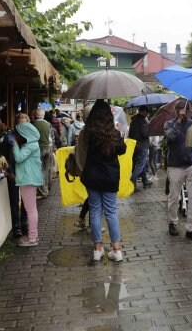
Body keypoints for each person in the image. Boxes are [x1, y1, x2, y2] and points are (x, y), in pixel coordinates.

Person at [80, 100, 127, 262]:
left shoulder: (88, 132)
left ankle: (97, 250)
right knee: (111, 212)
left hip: (92, 176)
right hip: (110, 177)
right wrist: (120, 134)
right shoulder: (113, 133)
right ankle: (116, 250)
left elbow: (81, 151)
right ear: (109, 115)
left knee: (94, 212)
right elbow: (122, 150)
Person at [164, 99, 192, 241]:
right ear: (176, 110)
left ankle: (191, 228)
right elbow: (171, 137)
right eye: (180, 109)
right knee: (174, 197)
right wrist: (178, 122)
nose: (183, 111)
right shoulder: (169, 124)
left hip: (191, 165)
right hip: (175, 166)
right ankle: (172, 222)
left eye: (185, 109)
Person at [11, 121, 44, 246]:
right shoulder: (31, 144)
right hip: (29, 179)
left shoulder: (31, 146)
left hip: (28, 179)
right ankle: (32, 236)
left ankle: (32, 238)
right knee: (31, 209)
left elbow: (19, 158)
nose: (16, 136)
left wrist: (14, 143)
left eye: (18, 133)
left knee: (30, 210)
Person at [31, 108, 53, 199]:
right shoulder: (48, 124)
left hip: (39, 149)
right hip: (48, 148)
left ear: (36, 115)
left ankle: (43, 192)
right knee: (46, 170)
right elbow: (50, 137)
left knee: (38, 171)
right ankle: (46, 188)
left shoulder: (33, 125)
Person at [129, 106, 152, 189]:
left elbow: (130, 134)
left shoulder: (133, 121)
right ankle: (131, 182)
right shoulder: (143, 121)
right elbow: (145, 134)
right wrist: (149, 129)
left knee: (137, 165)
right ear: (142, 112)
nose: (147, 114)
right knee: (140, 165)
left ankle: (145, 181)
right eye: (146, 112)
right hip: (142, 145)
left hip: (134, 145)